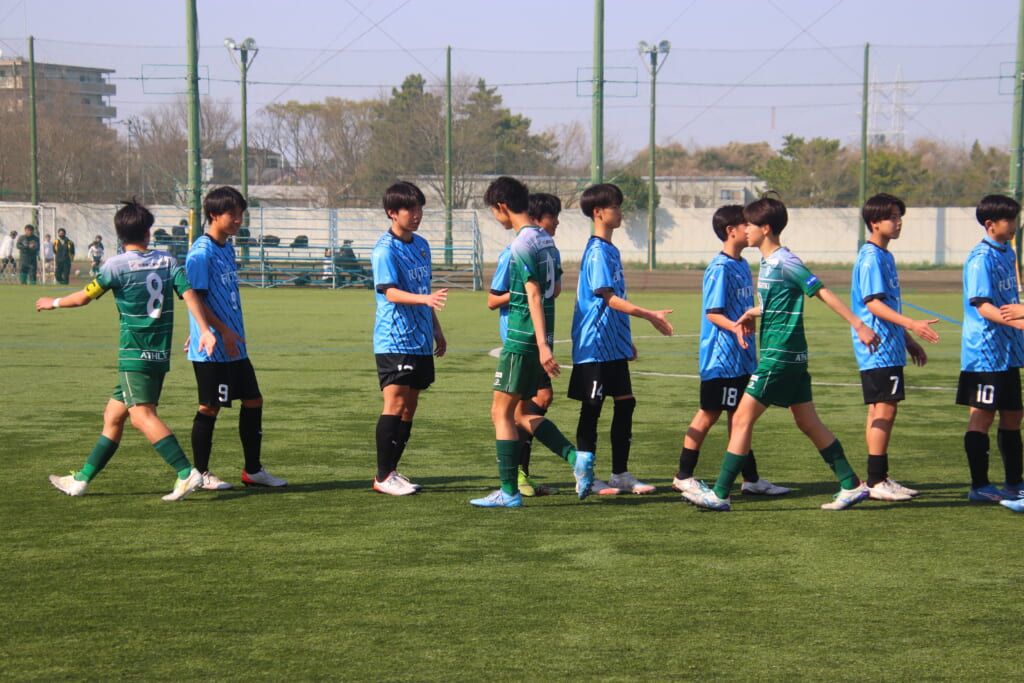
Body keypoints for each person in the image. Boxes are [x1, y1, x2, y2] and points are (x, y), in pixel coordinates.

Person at [689, 193, 880, 511]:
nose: (745, 229)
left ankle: (720, 494)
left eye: (749, 224)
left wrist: (859, 325)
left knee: (741, 419)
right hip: (792, 358)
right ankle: (851, 484)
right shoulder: (767, 263)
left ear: (764, 228)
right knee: (809, 423)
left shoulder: (785, 261)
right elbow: (777, 302)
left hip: (779, 357)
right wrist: (753, 312)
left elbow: (821, 290)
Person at [39, 199, 217, 500]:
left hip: (134, 353)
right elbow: (189, 294)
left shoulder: (115, 266)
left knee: (141, 416)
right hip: (158, 353)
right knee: (113, 416)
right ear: (148, 233)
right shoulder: (167, 261)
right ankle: (81, 480)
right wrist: (205, 330)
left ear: (119, 235)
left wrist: (52, 302)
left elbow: (83, 297)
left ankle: (187, 473)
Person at [472, 175, 594, 508]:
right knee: (519, 413)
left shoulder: (521, 244)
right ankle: (575, 458)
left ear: (501, 206)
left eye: (493, 211)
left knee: (500, 412)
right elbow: (554, 289)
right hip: (538, 336)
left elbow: (535, 294)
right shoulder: (546, 241)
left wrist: (542, 346)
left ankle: (509, 492)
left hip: (521, 339)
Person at [673, 205, 790, 503]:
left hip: (742, 358)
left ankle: (751, 480)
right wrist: (736, 328)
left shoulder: (743, 264)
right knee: (709, 413)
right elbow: (713, 313)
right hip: (721, 359)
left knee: (740, 417)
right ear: (731, 230)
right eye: (745, 224)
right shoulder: (719, 267)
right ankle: (683, 475)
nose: (750, 228)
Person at [569, 183, 673, 495]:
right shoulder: (597, 252)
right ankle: (586, 477)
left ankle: (620, 474)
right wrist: (650, 315)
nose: (620, 211)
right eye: (614, 206)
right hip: (594, 345)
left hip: (612, 344)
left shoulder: (610, 249)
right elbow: (610, 299)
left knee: (626, 403)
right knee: (592, 408)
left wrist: (624, 339)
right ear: (598, 212)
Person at [186, 186, 287, 491]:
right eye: (232, 214)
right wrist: (209, 331)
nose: (238, 220)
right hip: (213, 348)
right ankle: (200, 473)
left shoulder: (227, 248)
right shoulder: (200, 253)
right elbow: (194, 298)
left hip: (234, 345)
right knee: (210, 407)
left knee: (253, 400)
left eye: (241, 213)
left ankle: (253, 471)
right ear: (213, 215)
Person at [851, 193, 940, 502]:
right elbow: (873, 304)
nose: (898, 222)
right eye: (891, 217)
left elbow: (887, 305)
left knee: (882, 409)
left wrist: (907, 339)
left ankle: (879, 477)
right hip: (876, 347)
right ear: (874, 222)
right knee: (884, 410)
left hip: (889, 345)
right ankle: (877, 480)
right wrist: (912, 324)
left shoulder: (884, 256)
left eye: (899, 216)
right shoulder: (871, 257)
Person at [370, 181, 447, 495]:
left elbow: (423, 290)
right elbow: (389, 292)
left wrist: (436, 328)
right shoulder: (384, 250)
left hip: (420, 338)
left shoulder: (422, 245)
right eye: (409, 209)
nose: (416, 215)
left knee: (409, 407)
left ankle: (392, 471)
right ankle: (382, 476)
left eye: (419, 209)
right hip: (394, 339)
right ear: (392, 212)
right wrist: (426, 300)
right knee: (395, 402)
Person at [487, 192, 563, 497]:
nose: (556, 223)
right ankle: (519, 476)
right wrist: (526, 291)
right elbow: (493, 299)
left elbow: (553, 290)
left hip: (534, 338)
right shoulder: (514, 251)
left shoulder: (546, 248)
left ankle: (520, 477)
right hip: (519, 337)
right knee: (518, 408)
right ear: (535, 218)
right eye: (552, 217)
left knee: (525, 406)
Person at [954, 194, 1024, 504]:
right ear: (990, 224)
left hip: (1008, 352)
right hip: (985, 353)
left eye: (1015, 218)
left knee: (1014, 415)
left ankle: (1014, 484)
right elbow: (982, 306)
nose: (1014, 225)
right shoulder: (980, 258)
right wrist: (1018, 322)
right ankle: (979, 485)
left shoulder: (1007, 252)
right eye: (1008, 220)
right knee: (982, 418)